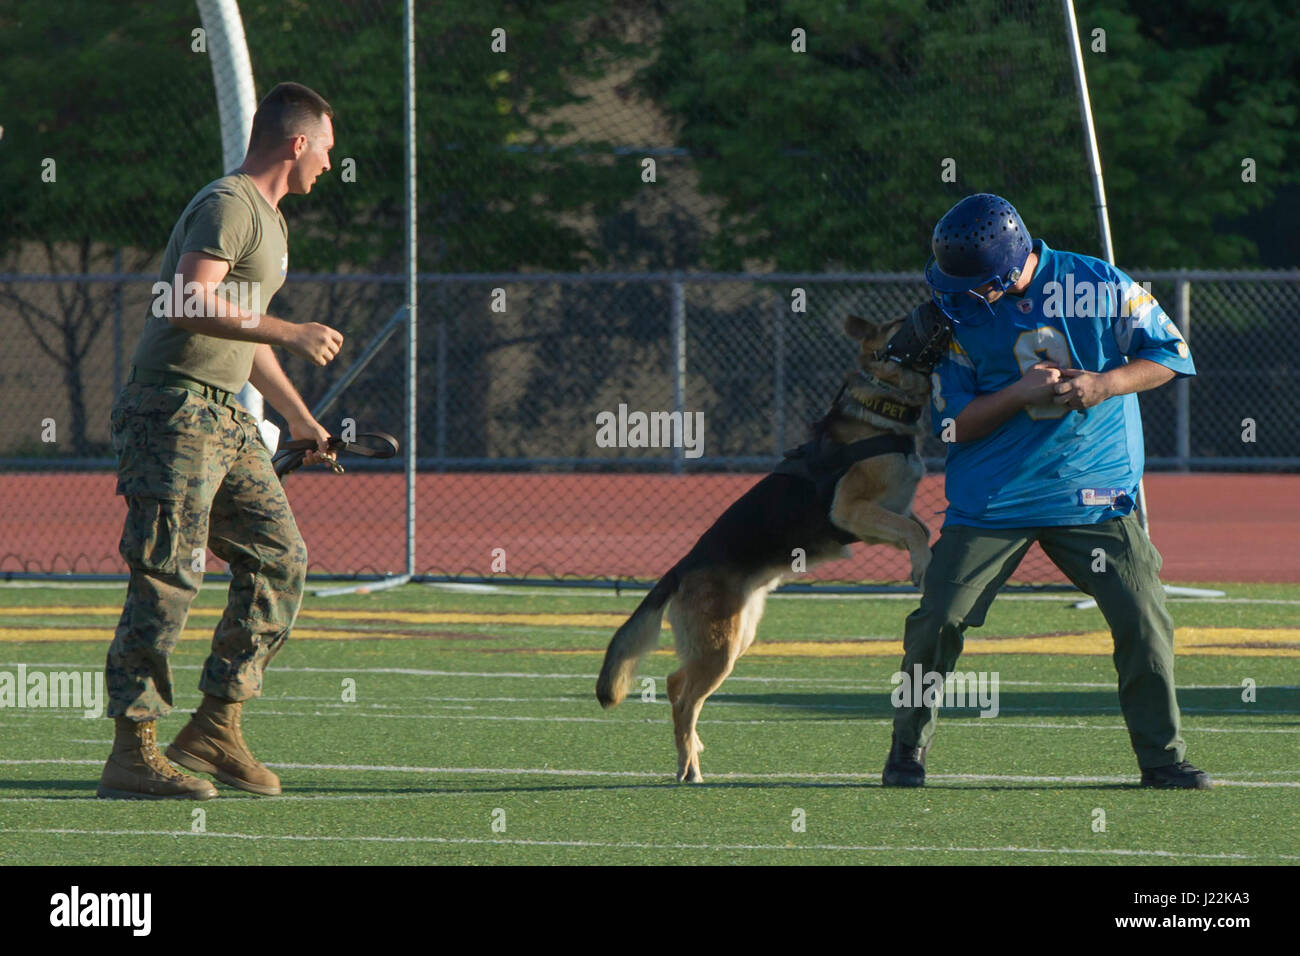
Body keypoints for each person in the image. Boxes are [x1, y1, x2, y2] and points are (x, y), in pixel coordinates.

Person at [882, 193, 1211, 789]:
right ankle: (907, 746)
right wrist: (1018, 394)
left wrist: (1107, 383)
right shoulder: (954, 317)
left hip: (1092, 489)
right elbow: (950, 426)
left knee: (1143, 616)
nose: (956, 296)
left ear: (1011, 270)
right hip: (993, 499)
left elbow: (1173, 353)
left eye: (975, 283)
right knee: (937, 621)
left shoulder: (1100, 284)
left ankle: (1162, 757)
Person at [98, 82, 343, 799]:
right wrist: (292, 331)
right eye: (326, 149)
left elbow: (239, 324)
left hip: (225, 417)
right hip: (171, 411)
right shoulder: (228, 204)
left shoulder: (271, 220)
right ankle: (132, 750)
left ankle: (214, 726)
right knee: (168, 574)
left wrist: (298, 414)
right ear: (297, 144)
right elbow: (189, 298)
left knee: (279, 558)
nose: (330, 164)